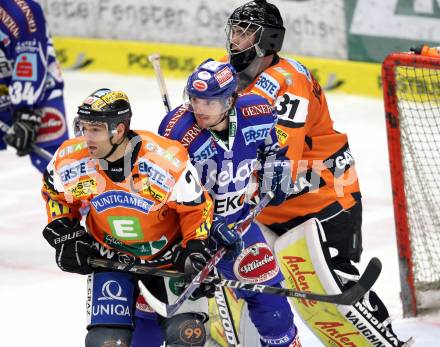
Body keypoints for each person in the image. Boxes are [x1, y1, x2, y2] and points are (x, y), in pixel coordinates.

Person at [223, 1, 410, 346]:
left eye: (245, 32)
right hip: (269, 209)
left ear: (269, 39)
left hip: (323, 201)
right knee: (245, 286)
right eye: (234, 31)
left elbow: (279, 162)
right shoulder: (226, 75)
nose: (235, 40)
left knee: (339, 288)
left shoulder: (288, 82)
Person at [41, 88, 215, 347]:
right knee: (105, 342)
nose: (87, 137)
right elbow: (55, 195)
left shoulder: (165, 161)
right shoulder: (70, 160)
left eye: (95, 129)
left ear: (119, 130)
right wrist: (66, 234)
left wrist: (195, 248)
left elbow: (197, 207)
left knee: (187, 335)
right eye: (84, 128)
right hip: (109, 257)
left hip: (168, 259)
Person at [158, 59, 301, 347]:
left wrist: (276, 173)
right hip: (186, 235)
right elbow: (165, 194)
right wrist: (208, 225)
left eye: (209, 102)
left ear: (230, 100)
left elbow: (272, 150)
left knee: (275, 311)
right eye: (195, 99)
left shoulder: (257, 112)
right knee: (183, 328)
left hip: (239, 223)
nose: (199, 108)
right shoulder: (177, 131)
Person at [1, 0, 67, 173]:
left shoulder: (21, 11)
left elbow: (30, 57)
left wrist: (26, 111)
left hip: (40, 94)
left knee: (57, 167)